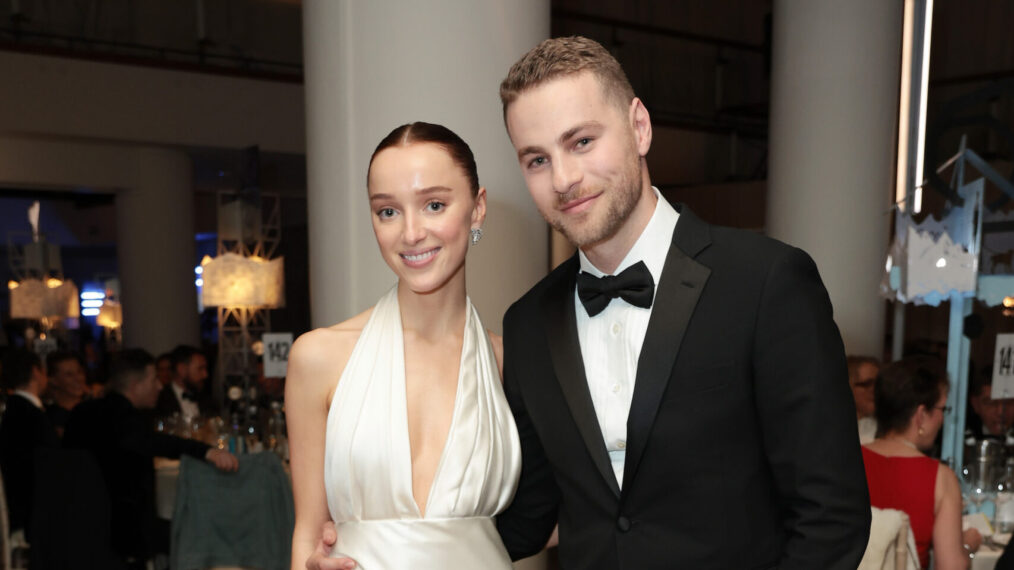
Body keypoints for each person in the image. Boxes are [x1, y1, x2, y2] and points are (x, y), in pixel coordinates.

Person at [311, 36, 870, 569]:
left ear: (639, 127)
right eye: (536, 159)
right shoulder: (530, 320)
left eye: (582, 141)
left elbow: (831, 517)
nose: (565, 178)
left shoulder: (766, 281)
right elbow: (531, 514)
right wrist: (385, 544)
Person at [286, 121, 519, 569]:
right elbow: (307, 536)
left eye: (434, 204)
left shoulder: (510, 362)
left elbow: (560, 510)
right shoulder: (319, 358)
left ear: (477, 209)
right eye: (387, 211)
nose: (410, 233)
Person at [63, 348, 238, 569]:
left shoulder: (82, 412)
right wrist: (206, 451)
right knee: (208, 534)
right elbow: (153, 442)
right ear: (136, 384)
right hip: (120, 533)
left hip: (74, 526)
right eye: (154, 378)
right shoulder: (124, 418)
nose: (159, 385)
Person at [862, 356, 981, 569]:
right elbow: (950, 566)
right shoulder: (940, 478)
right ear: (920, 416)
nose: (943, 419)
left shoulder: (850, 461)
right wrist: (968, 547)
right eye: (942, 409)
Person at [0, 349, 59, 538]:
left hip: (19, 507)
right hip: (34, 512)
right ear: (36, 372)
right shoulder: (31, 416)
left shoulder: (13, 411)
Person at [155, 344, 213, 420]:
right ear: (181, 369)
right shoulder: (159, 400)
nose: (205, 375)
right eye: (200, 368)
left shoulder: (208, 400)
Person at [43, 350, 89, 437]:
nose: (78, 379)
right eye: (69, 374)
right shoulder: (53, 419)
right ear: (53, 380)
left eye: (79, 372)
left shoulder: (94, 408)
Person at [848, 355, 880, 444]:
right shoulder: (830, 428)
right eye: (866, 384)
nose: (874, 389)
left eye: (878, 384)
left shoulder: (887, 430)